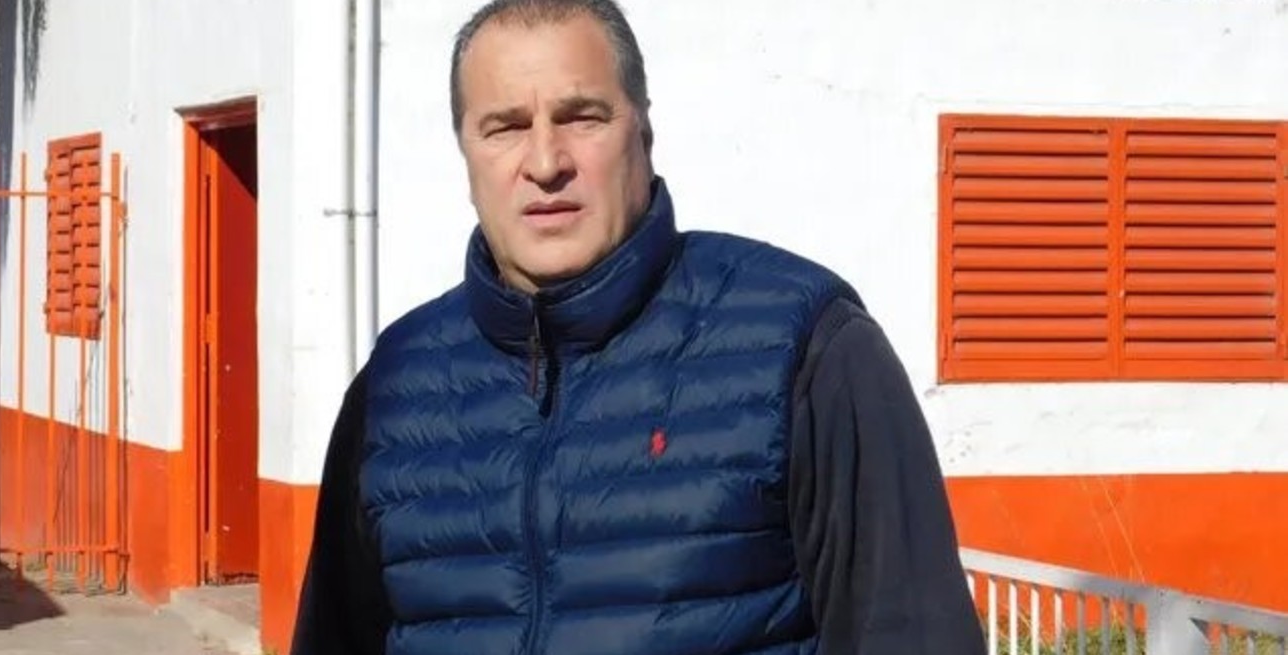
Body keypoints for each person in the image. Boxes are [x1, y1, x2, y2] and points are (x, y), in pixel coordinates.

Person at [291, 0, 986, 653]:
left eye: (582, 117)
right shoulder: (397, 386)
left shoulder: (805, 349)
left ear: (643, 132)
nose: (545, 163)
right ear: (466, 152)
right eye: (505, 127)